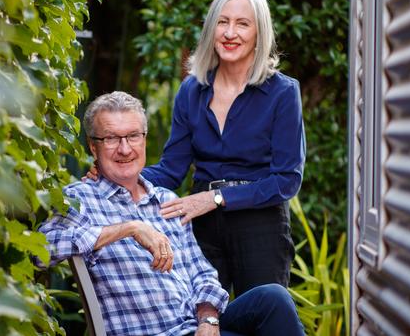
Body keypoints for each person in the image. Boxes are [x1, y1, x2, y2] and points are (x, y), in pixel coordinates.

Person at [88, 0, 306, 296]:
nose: (230, 33)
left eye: (242, 24)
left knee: (262, 318)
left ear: (260, 34)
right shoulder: (191, 91)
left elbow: (286, 180)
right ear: (211, 29)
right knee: (202, 317)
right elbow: (171, 170)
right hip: (200, 226)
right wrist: (114, 174)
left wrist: (217, 198)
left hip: (260, 226)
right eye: (222, 22)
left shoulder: (282, 92)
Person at [41, 91, 304, 336]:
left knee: (273, 298)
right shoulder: (80, 198)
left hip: (194, 328)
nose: (124, 148)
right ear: (93, 146)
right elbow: (39, 251)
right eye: (111, 138)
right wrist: (129, 228)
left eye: (133, 136)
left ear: (143, 139)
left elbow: (203, 274)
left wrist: (208, 319)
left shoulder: (166, 201)